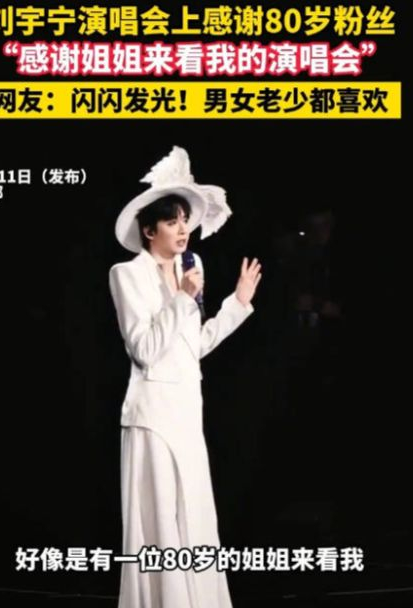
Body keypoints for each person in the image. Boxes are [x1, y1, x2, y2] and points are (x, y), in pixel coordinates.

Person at [108, 147, 262, 608]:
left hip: (187, 415)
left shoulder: (190, 269)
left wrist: (236, 304)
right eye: (172, 221)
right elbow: (145, 350)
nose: (183, 230)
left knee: (194, 519)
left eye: (185, 221)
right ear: (149, 229)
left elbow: (191, 349)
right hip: (153, 418)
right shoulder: (126, 274)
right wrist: (181, 298)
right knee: (159, 524)